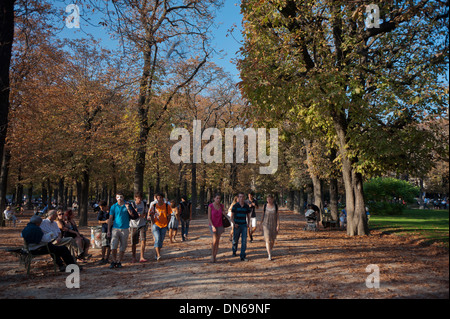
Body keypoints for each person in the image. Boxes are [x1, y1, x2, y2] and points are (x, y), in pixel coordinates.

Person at [107, 191, 135, 269]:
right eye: (118, 197)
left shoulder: (127, 205)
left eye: (121, 197)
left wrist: (128, 208)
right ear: (116, 198)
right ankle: (114, 260)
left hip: (125, 228)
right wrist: (109, 230)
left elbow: (132, 215)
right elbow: (110, 218)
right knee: (113, 245)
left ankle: (119, 261)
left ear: (123, 197)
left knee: (123, 246)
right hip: (115, 228)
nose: (119, 199)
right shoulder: (113, 207)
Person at [148, 193, 172, 260]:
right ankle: (158, 255)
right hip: (156, 225)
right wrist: (153, 222)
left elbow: (169, 215)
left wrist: (168, 223)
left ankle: (157, 252)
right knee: (157, 238)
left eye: (160, 198)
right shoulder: (154, 205)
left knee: (161, 240)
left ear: (162, 198)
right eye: (157, 198)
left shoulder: (167, 206)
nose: (158, 199)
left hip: (164, 225)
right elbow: (151, 214)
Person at [231, 192, 252, 261]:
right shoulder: (235, 206)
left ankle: (242, 255)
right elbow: (231, 217)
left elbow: (248, 216)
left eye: (242, 197)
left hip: (244, 225)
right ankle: (234, 251)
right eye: (240, 197)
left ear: (244, 197)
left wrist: (248, 224)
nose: (241, 198)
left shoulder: (246, 206)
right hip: (237, 225)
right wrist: (234, 224)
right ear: (238, 198)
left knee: (244, 241)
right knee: (235, 240)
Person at [208, 193, 228, 263]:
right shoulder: (210, 206)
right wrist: (212, 226)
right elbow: (209, 217)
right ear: (214, 198)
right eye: (217, 198)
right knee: (214, 241)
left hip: (220, 224)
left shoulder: (221, 206)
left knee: (217, 241)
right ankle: (212, 256)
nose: (218, 200)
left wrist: (225, 213)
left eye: (219, 198)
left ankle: (215, 255)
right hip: (212, 225)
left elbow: (225, 214)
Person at [130, 192, 148, 263]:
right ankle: (133, 257)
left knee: (143, 240)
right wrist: (134, 213)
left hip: (142, 224)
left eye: (140, 198)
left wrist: (143, 215)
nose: (139, 200)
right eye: (138, 198)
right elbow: (129, 214)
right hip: (133, 225)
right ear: (135, 198)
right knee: (133, 242)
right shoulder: (132, 204)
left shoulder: (144, 204)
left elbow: (146, 212)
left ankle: (142, 256)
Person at [260, 194, 279, 260]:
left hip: (273, 224)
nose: (269, 200)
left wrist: (278, 225)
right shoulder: (265, 206)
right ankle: (269, 254)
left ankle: (269, 249)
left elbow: (277, 216)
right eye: (268, 199)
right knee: (267, 239)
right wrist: (260, 223)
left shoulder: (275, 206)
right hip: (266, 224)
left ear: (272, 199)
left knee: (272, 240)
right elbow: (263, 215)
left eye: (270, 199)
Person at [97, 200, 111, 265]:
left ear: (106, 206)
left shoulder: (110, 211)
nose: (101, 208)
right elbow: (99, 221)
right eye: (100, 207)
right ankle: (103, 257)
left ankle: (107, 258)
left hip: (111, 229)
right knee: (104, 244)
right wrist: (105, 221)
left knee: (110, 245)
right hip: (104, 229)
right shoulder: (100, 213)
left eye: (102, 207)